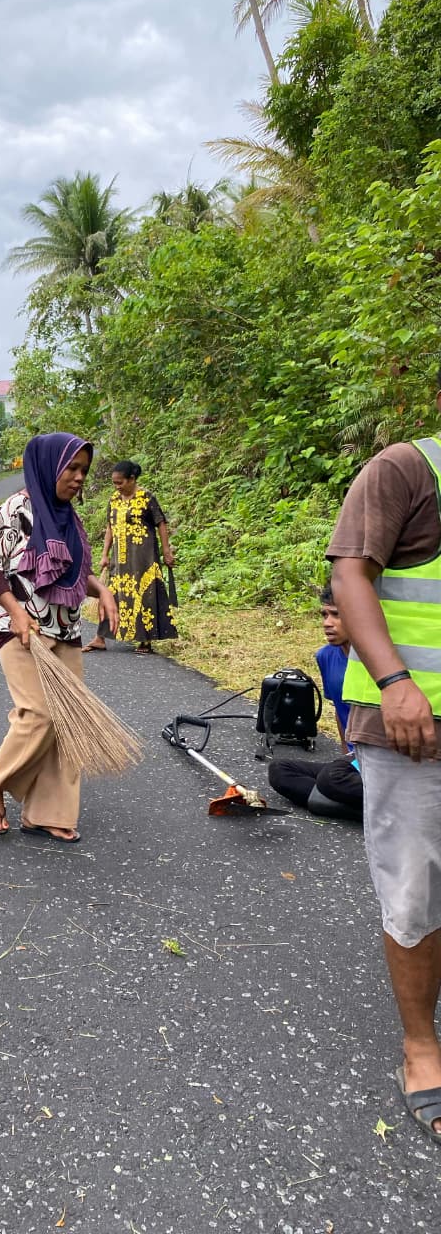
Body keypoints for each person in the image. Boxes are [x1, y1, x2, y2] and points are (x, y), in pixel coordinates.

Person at [329, 395, 441, 1143]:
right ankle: (422, 1046)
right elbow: (349, 575)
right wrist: (397, 682)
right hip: (413, 727)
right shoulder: (407, 467)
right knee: (414, 885)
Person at [0, 432, 118, 842]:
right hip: (22, 632)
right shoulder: (17, 508)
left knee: (69, 722)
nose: (78, 478)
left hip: (67, 631)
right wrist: (16, 613)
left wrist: (103, 591)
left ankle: (46, 812)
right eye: (71, 468)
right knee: (38, 714)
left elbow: (73, 572)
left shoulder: (68, 518)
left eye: (84, 471)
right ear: (49, 465)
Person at [266, 583, 363, 821]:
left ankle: (340, 802)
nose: (327, 622)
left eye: (336, 615)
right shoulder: (325, 656)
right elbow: (341, 710)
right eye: (324, 614)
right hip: (354, 762)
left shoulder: (376, 658)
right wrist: (345, 755)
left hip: (381, 760)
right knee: (279, 770)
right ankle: (370, 810)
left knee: (331, 779)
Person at [84, 461, 176, 654]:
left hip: (144, 557)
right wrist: (104, 554)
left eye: (120, 482)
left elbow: (161, 523)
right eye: (114, 483)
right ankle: (100, 638)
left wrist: (166, 550)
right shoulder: (114, 500)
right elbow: (110, 527)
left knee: (145, 593)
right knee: (111, 595)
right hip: (121, 558)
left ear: (132, 479)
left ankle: (145, 640)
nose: (117, 486)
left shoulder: (147, 498)